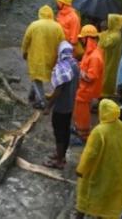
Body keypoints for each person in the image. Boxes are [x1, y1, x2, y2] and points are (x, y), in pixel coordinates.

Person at [75, 99, 122, 219]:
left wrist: (81, 169)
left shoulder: (99, 131)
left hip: (97, 171)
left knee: (85, 199)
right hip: (114, 172)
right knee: (106, 202)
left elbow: (90, 153)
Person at [21, 5, 65, 109]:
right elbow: (62, 42)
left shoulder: (34, 25)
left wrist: (24, 51)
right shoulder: (57, 27)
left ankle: (42, 101)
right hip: (51, 57)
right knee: (36, 76)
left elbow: (26, 40)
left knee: (36, 77)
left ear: (40, 13)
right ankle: (32, 95)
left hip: (36, 56)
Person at [44, 41, 80, 169]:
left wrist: (48, 106)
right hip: (70, 104)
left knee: (59, 133)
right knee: (65, 131)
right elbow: (79, 84)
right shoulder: (75, 64)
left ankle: (59, 161)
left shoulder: (62, 67)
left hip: (61, 107)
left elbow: (58, 90)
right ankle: (61, 155)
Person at [73, 25, 104, 141]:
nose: (81, 41)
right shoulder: (90, 52)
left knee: (83, 115)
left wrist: (78, 71)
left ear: (88, 39)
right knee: (79, 113)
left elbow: (91, 77)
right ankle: (79, 130)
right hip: (83, 90)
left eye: (82, 39)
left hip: (87, 91)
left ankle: (83, 136)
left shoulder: (95, 56)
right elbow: (84, 65)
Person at [100, 14, 122, 98]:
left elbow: (103, 44)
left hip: (110, 62)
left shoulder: (115, 36)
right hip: (106, 59)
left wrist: (102, 31)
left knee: (108, 78)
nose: (105, 23)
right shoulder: (112, 32)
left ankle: (106, 96)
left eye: (108, 21)